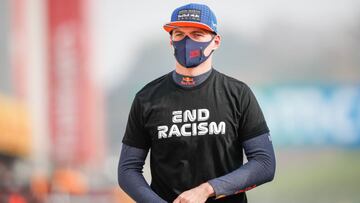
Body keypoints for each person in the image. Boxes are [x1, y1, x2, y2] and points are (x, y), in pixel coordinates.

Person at [118, 3, 276, 203]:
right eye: (179, 34)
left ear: (216, 41)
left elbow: (264, 163)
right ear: (171, 41)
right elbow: (127, 170)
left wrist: (207, 189)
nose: (186, 42)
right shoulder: (147, 98)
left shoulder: (238, 94)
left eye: (197, 34)